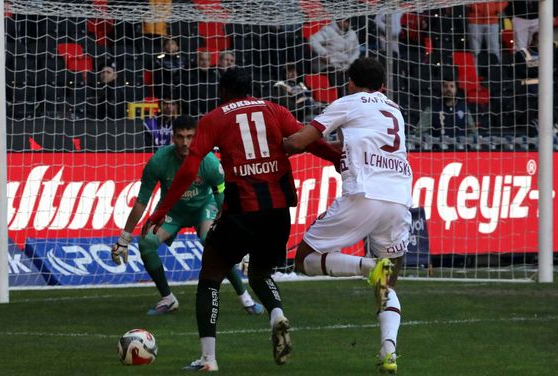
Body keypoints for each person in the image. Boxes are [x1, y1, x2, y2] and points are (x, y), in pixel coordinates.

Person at [143, 67, 341, 371]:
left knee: (209, 280)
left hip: (241, 212)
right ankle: (276, 314)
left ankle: (208, 359)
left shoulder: (215, 117)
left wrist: (162, 209)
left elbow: (188, 169)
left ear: (222, 90)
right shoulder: (274, 109)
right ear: (250, 88)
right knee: (260, 274)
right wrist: (335, 158)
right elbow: (307, 139)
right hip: (277, 213)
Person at [282, 57, 411, 374]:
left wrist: (274, 143)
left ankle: (368, 266)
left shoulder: (348, 102)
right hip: (399, 201)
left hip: (363, 196)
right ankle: (389, 351)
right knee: (387, 284)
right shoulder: (394, 109)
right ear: (382, 85)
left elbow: (299, 141)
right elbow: (350, 145)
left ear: (350, 81)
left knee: (305, 259)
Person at [114, 115, 266, 317]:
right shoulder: (158, 161)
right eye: (180, 137)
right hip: (172, 211)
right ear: (172, 137)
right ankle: (168, 299)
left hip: (204, 207)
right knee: (146, 243)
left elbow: (222, 198)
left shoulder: (209, 162)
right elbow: (141, 200)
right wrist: (124, 238)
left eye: (189, 137)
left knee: (214, 243)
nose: (184, 142)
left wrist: (234, 235)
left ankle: (245, 297)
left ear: (197, 137)